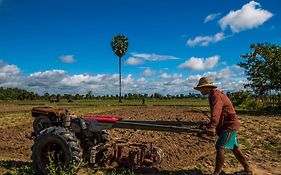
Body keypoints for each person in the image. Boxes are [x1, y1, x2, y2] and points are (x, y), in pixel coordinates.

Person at [194, 77, 253, 175]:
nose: (200, 91)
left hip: (229, 125)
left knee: (220, 146)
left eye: (201, 88)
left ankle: (216, 173)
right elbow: (219, 114)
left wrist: (212, 126)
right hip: (227, 124)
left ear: (207, 87)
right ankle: (248, 169)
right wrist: (209, 125)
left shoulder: (216, 96)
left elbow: (216, 113)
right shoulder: (213, 95)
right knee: (235, 148)